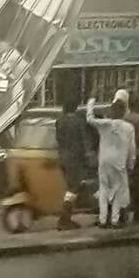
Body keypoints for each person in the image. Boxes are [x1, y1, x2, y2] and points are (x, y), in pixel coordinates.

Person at [86, 96, 135, 229]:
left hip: (104, 160)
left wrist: (91, 103)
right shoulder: (129, 128)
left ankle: (102, 219)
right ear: (124, 112)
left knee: (104, 188)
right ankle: (114, 219)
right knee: (118, 190)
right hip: (119, 161)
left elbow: (89, 119)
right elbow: (132, 149)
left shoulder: (105, 124)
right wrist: (131, 164)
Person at [55, 94, 90, 230]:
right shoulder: (78, 121)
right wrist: (88, 155)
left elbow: (58, 139)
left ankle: (66, 218)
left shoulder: (59, 121)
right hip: (74, 159)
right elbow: (84, 139)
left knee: (70, 187)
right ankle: (64, 219)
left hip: (62, 157)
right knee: (73, 188)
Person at [124, 92, 139, 222]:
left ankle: (124, 211)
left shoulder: (125, 117)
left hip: (125, 154)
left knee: (127, 184)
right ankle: (138, 214)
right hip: (138, 153)